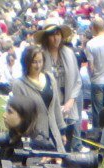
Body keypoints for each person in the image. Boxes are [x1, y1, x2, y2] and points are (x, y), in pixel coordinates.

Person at [35, 20, 83, 152]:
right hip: (48, 105)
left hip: (68, 106)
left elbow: (77, 80)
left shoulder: (68, 53)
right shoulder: (41, 55)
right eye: (52, 35)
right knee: (50, 147)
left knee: (66, 146)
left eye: (58, 34)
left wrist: (70, 101)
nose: (55, 38)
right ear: (46, 37)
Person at [12, 45, 66, 152]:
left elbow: (56, 107)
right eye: (34, 62)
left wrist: (62, 132)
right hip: (35, 139)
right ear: (26, 63)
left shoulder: (50, 78)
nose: (38, 65)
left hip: (53, 134)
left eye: (40, 61)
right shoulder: (19, 84)